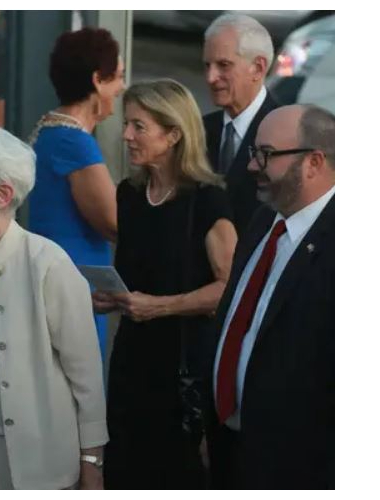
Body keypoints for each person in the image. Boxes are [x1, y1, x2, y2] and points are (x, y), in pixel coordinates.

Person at [0, 127, 108, 489]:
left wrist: (92, 460)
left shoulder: (49, 264)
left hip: (40, 460)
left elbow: (86, 374)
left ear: (1, 194)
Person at [92, 79, 237, 489]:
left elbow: (229, 288)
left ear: (173, 133)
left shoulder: (207, 200)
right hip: (131, 363)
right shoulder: (130, 195)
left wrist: (161, 305)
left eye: (139, 126)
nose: (126, 136)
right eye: (127, 124)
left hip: (182, 370)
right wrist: (111, 298)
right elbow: (136, 278)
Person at [204, 105, 334, 489]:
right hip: (232, 450)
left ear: (313, 162)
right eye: (253, 153)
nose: (252, 166)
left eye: (266, 154)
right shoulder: (264, 221)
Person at [27, 27, 126, 361]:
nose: (122, 87)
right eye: (119, 77)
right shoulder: (75, 142)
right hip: (75, 285)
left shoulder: (51, 128)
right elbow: (114, 222)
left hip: (55, 278)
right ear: (98, 80)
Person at [202, 13, 279, 234]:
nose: (210, 77)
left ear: (258, 67)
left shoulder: (286, 134)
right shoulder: (199, 131)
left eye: (223, 65)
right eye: (207, 65)